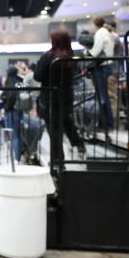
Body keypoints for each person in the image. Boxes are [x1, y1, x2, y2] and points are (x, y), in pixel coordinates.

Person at [34, 29, 85, 162]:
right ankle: (78, 145)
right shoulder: (71, 56)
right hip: (66, 97)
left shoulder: (49, 56)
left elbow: (38, 76)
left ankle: (57, 162)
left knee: (54, 131)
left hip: (50, 98)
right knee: (66, 122)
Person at [88, 17, 115, 139]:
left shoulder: (100, 33)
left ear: (94, 24)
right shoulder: (106, 32)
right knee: (104, 97)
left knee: (103, 97)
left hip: (102, 67)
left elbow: (96, 51)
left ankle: (107, 124)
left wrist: (87, 53)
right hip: (107, 66)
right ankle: (107, 124)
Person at [0, 65, 23, 163]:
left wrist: (6, 107)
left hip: (11, 112)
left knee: (14, 135)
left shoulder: (10, 82)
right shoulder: (19, 81)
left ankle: (16, 159)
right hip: (19, 110)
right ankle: (17, 157)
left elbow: (11, 95)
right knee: (17, 134)